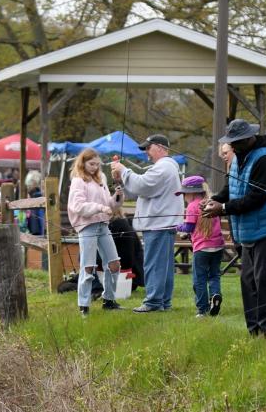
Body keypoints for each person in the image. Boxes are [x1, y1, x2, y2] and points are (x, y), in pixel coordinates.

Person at [205, 119, 266, 336]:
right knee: (249, 283)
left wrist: (224, 208)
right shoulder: (239, 157)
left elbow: (257, 198)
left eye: (236, 142)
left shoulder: (265, 159)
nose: (233, 146)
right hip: (248, 231)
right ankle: (255, 331)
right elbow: (231, 187)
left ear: (249, 139)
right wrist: (215, 200)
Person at [111, 134, 183, 313]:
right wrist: (121, 179)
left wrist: (123, 170)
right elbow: (142, 188)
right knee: (163, 266)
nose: (146, 154)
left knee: (154, 264)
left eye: (148, 149)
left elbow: (142, 185)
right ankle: (163, 302)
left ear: (160, 147)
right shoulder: (166, 168)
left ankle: (153, 302)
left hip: (158, 225)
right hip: (162, 224)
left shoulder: (163, 168)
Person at [66, 147, 123, 315]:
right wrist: (99, 208)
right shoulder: (78, 181)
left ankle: (109, 300)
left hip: (103, 225)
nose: (95, 167)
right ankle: (83, 305)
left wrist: (117, 196)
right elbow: (78, 207)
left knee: (114, 264)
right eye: (91, 164)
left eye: (97, 164)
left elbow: (110, 205)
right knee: (88, 266)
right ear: (82, 163)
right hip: (87, 227)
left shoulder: (101, 179)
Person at [177, 175, 224, 317]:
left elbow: (189, 227)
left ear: (191, 193)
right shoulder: (212, 202)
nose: (183, 197)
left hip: (202, 249)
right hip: (218, 246)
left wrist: (176, 227)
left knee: (200, 278)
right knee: (214, 275)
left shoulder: (192, 206)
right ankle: (215, 295)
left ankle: (202, 310)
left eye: (184, 193)